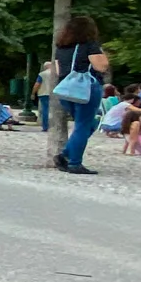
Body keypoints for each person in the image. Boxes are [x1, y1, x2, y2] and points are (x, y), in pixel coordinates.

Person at [51, 15, 109, 175]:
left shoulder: (61, 47)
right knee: (84, 126)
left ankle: (64, 155)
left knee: (86, 124)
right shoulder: (90, 45)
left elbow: (58, 70)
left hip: (65, 90)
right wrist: (101, 52)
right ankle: (74, 162)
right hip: (86, 89)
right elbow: (102, 66)